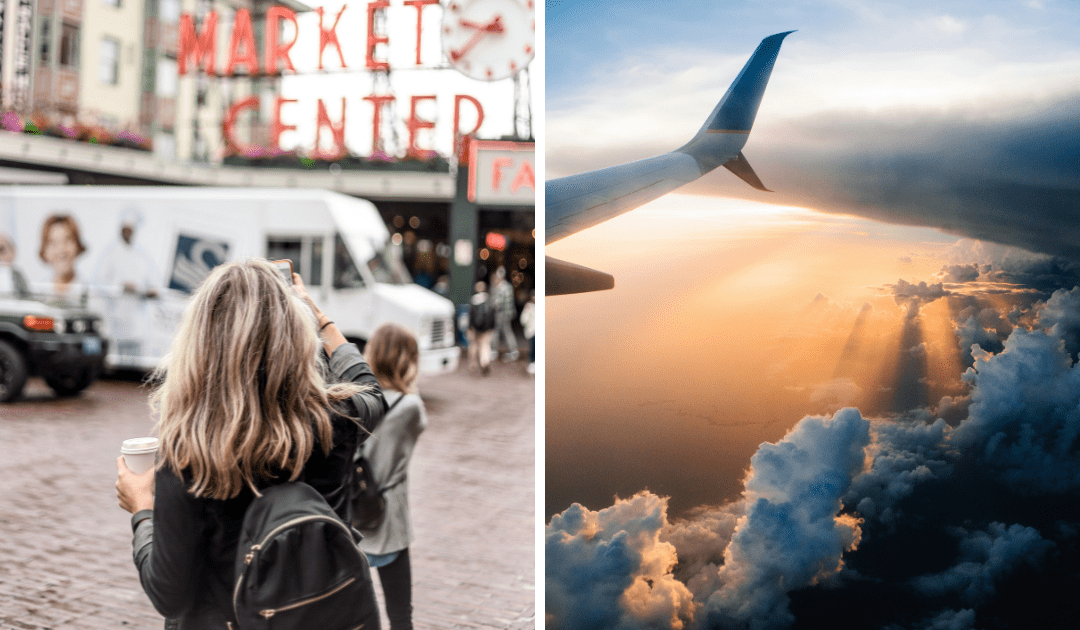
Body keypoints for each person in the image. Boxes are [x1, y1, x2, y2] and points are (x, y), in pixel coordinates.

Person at [114, 259, 386, 630]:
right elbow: (372, 391)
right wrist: (320, 318)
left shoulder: (187, 454)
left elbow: (170, 594)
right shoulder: (335, 418)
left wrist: (142, 508)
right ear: (294, 333)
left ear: (200, 343)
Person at [358, 323, 428, 630]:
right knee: (400, 614)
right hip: (390, 518)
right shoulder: (410, 406)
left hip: (351, 512)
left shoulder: (355, 399)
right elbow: (419, 425)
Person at [39, 213, 87, 302]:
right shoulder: (36, 294)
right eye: (53, 243)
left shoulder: (91, 296)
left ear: (77, 246)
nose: (61, 249)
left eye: (67, 240)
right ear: (44, 251)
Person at [491, 267, 519, 361]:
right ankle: (513, 350)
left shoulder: (501, 287)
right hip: (507, 314)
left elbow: (498, 303)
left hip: (501, 314)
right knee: (507, 331)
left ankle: (494, 351)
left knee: (498, 332)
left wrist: (493, 303)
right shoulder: (508, 286)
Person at [468, 281, 495, 375]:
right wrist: (491, 327)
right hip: (486, 328)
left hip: (475, 328)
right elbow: (492, 315)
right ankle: (484, 362)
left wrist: (470, 327)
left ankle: (473, 363)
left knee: (474, 345)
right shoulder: (489, 299)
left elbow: (470, 316)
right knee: (485, 345)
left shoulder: (473, 300)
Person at [520, 291, 535, 375]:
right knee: (533, 347)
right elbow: (523, 320)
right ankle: (532, 362)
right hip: (532, 331)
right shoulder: (528, 307)